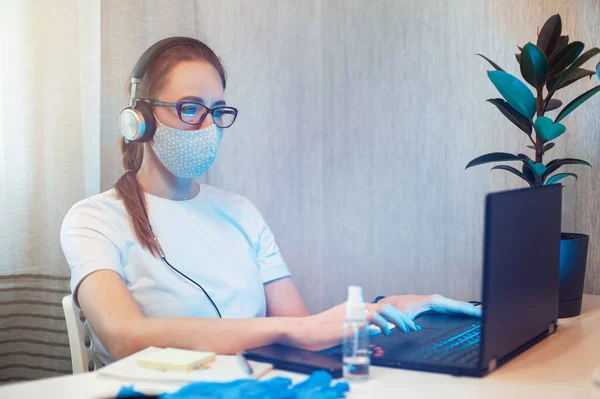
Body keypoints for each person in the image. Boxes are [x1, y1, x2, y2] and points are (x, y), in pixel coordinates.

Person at [60, 37, 480, 365]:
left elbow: (302, 328)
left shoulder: (240, 212)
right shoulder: (94, 219)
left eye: (218, 111)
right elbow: (125, 337)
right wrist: (286, 332)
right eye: (190, 109)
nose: (208, 126)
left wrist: (392, 308)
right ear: (140, 119)